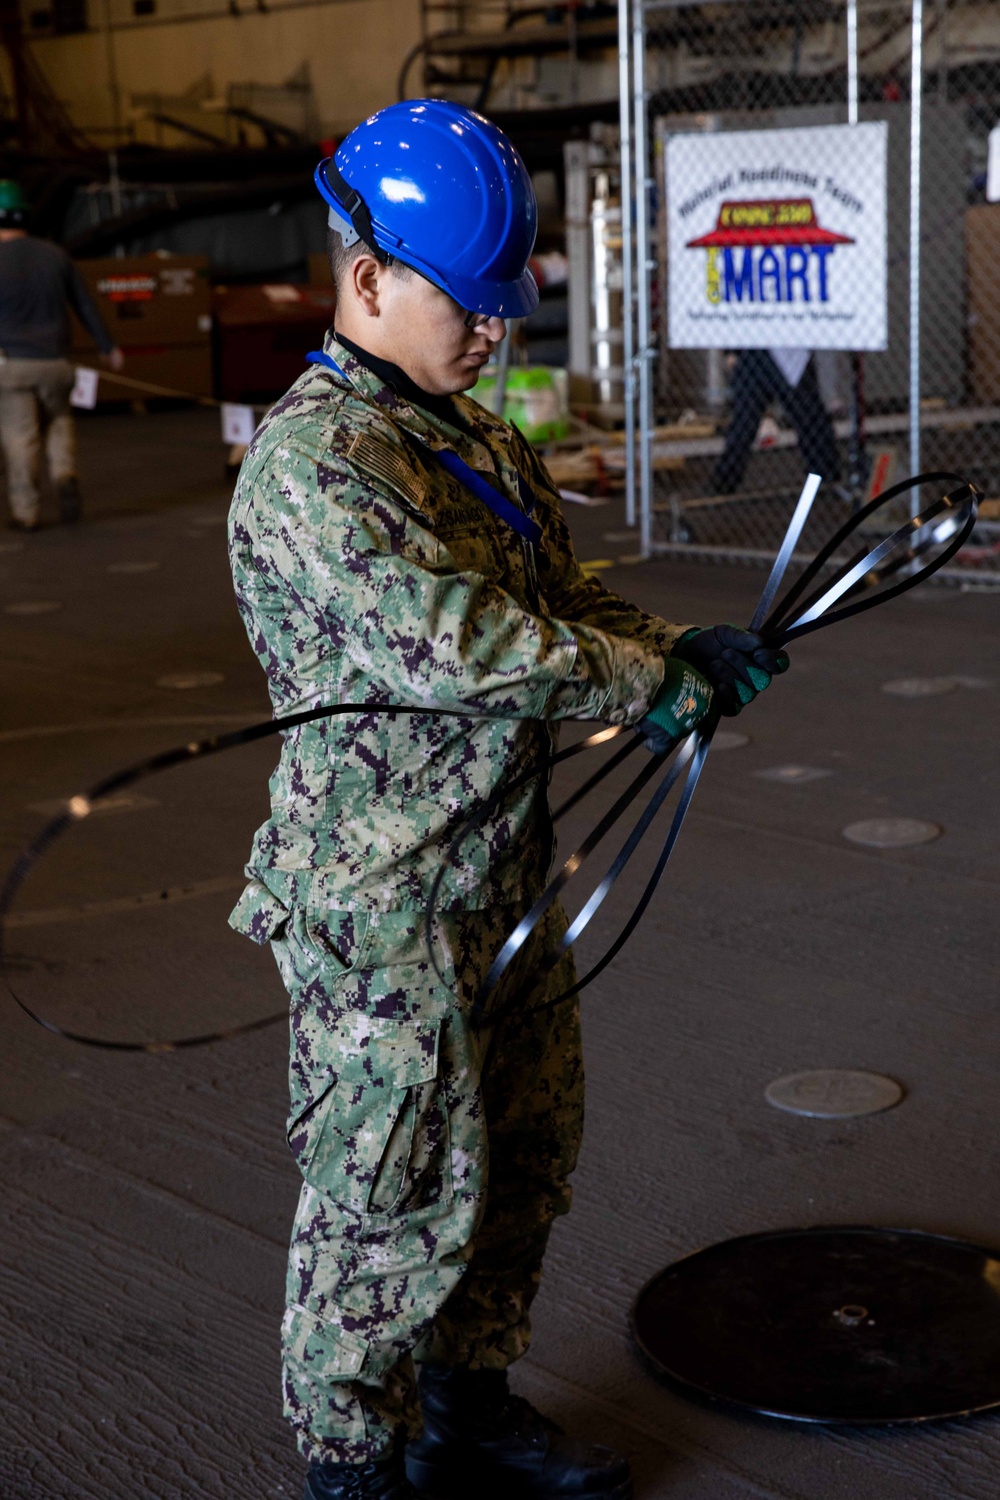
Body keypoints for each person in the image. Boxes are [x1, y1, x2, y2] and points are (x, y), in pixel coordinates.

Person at [227, 100, 787, 1500]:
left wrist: (672, 650)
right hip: (380, 903)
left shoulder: (468, 434)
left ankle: (465, 1403)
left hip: (498, 870)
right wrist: (630, 681)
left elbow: (551, 592)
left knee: (526, 1154)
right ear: (368, 281)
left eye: (502, 307)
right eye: (468, 307)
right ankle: (354, 1459)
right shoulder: (314, 472)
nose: (496, 334)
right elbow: (460, 644)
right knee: (386, 1193)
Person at [0, 180, 123, 531]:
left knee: (20, 435)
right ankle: (65, 475)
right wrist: (107, 346)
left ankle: (26, 511)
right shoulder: (55, 254)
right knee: (59, 422)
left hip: (12, 366)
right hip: (57, 364)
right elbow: (85, 304)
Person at [713, 347, 840, 495]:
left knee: (807, 414)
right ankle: (725, 479)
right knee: (745, 420)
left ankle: (825, 471)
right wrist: (732, 351)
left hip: (781, 349)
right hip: (759, 351)